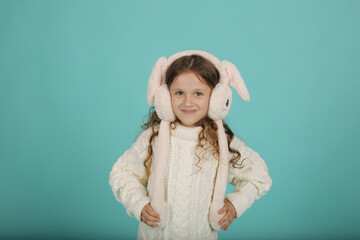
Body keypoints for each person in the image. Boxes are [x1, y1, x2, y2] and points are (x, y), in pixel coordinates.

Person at [109, 50, 272, 240]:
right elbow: (122, 174)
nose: (188, 102)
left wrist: (235, 204)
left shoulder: (222, 142)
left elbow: (258, 176)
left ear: (216, 98)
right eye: (179, 93)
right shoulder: (153, 138)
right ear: (164, 96)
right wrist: (138, 203)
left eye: (198, 93)